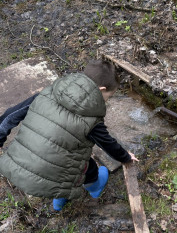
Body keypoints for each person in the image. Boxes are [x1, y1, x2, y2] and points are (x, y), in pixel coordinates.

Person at [0, 60, 139, 211]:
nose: (107, 100)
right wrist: (125, 157)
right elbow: (107, 144)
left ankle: (58, 203)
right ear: (101, 89)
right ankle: (95, 188)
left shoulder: (48, 92)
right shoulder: (91, 119)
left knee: (60, 159)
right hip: (44, 178)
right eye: (109, 96)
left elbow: (9, 116)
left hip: (14, 165)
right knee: (87, 167)